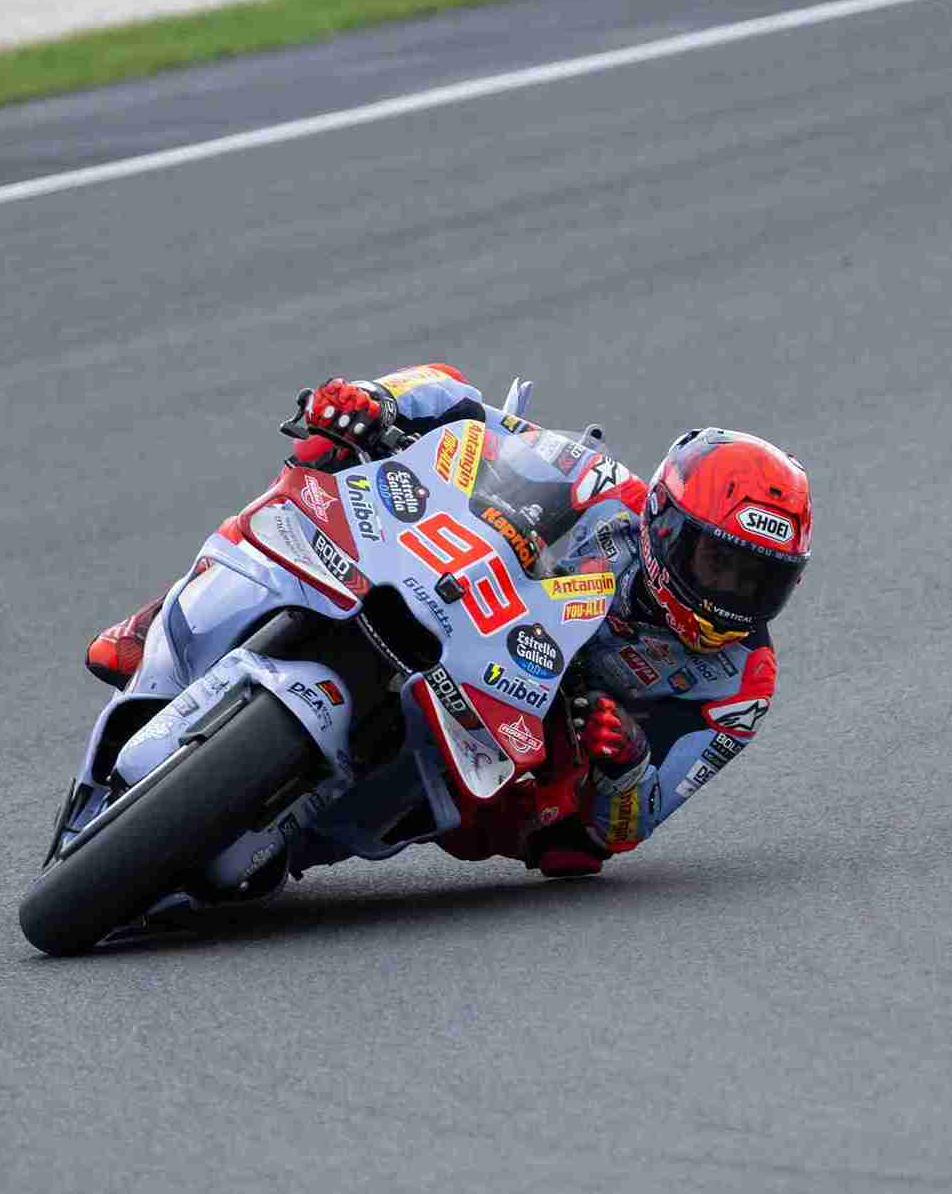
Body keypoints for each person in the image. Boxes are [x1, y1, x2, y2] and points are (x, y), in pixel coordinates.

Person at [86, 365, 807, 878]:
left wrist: (623, 763)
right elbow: (468, 408)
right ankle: (168, 614)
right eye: (719, 562)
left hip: (532, 737)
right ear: (664, 520)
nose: (732, 594)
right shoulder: (602, 487)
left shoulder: (742, 682)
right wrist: (374, 403)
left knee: (564, 846)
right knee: (326, 457)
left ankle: (311, 825)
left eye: (759, 581)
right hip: (468, 611)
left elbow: (636, 822)